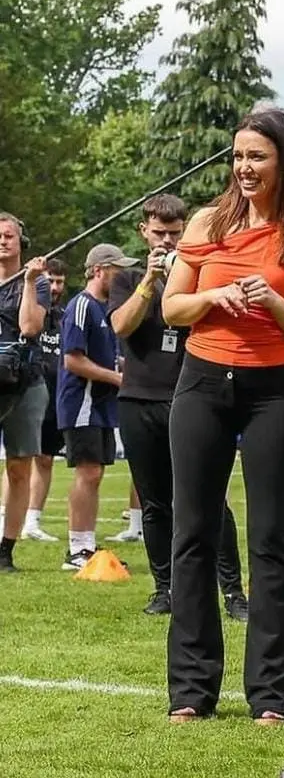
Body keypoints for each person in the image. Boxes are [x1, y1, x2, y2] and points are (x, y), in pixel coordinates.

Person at [162, 105, 284, 725]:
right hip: (202, 385)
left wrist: (272, 302)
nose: (244, 167)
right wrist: (213, 294)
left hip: (273, 394)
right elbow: (172, 308)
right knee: (192, 535)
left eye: (256, 156)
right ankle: (191, 691)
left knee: (270, 542)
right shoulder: (208, 222)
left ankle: (270, 697)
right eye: (238, 156)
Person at [108, 194, 248, 619]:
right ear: (143, 232)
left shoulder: (201, 275)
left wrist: (183, 279)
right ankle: (164, 587)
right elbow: (121, 326)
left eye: (174, 233)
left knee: (210, 498)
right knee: (154, 502)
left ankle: (232, 592)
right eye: (159, 233)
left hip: (193, 397)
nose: (166, 241)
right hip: (139, 398)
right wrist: (150, 282)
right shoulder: (128, 278)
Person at [57, 243, 137, 571]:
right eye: (117, 271)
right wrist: (117, 379)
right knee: (87, 472)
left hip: (100, 405)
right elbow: (73, 360)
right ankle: (77, 548)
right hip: (82, 402)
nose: (122, 277)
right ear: (99, 270)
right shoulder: (81, 305)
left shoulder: (106, 309)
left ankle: (87, 544)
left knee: (96, 473)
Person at [0, 212, 51, 572]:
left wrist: (30, 282)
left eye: (9, 236)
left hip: (23, 384)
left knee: (19, 468)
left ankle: (5, 550)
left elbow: (30, 327)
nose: (2, 241)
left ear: (21, 242)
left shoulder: (37, 282)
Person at [16, 257, 66, 544]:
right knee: (20, 459)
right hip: (29, 390)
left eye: (60, 282)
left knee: (46, 459)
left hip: (56, 396)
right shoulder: (28, 309)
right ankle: (6, 517)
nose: (55, 288)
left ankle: (33, 521)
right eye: (50, 281)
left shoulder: (63, 316)